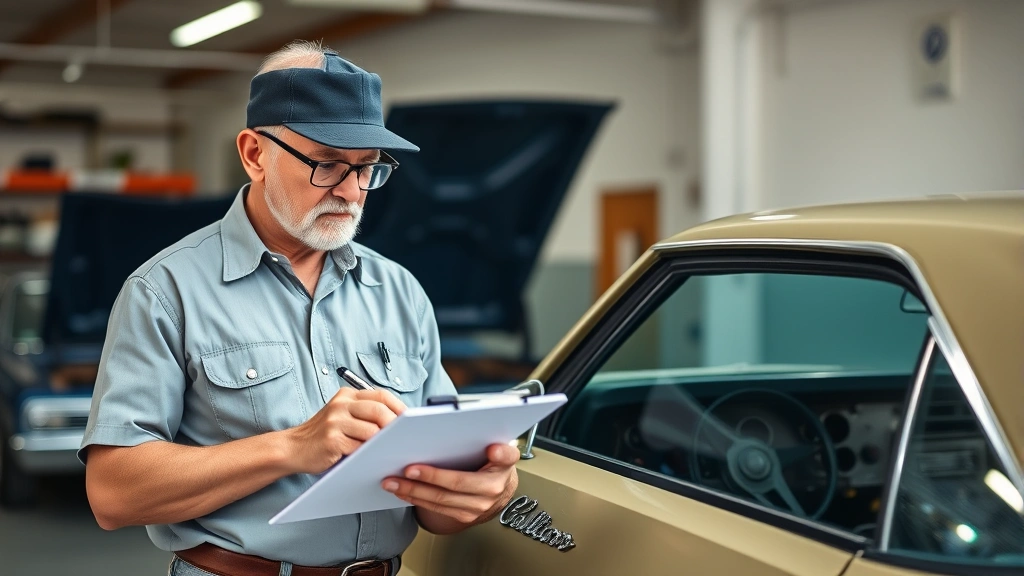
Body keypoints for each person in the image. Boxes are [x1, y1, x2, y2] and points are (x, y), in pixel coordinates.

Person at [79, 40, 520, 576]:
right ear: (254, 153)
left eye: (368, 168)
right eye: (328, 164)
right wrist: (291, 447)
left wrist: (478, 493)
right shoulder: (164, 291)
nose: (352, 192)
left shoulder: (400, 291)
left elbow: (431, 509)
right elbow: (112, 494)